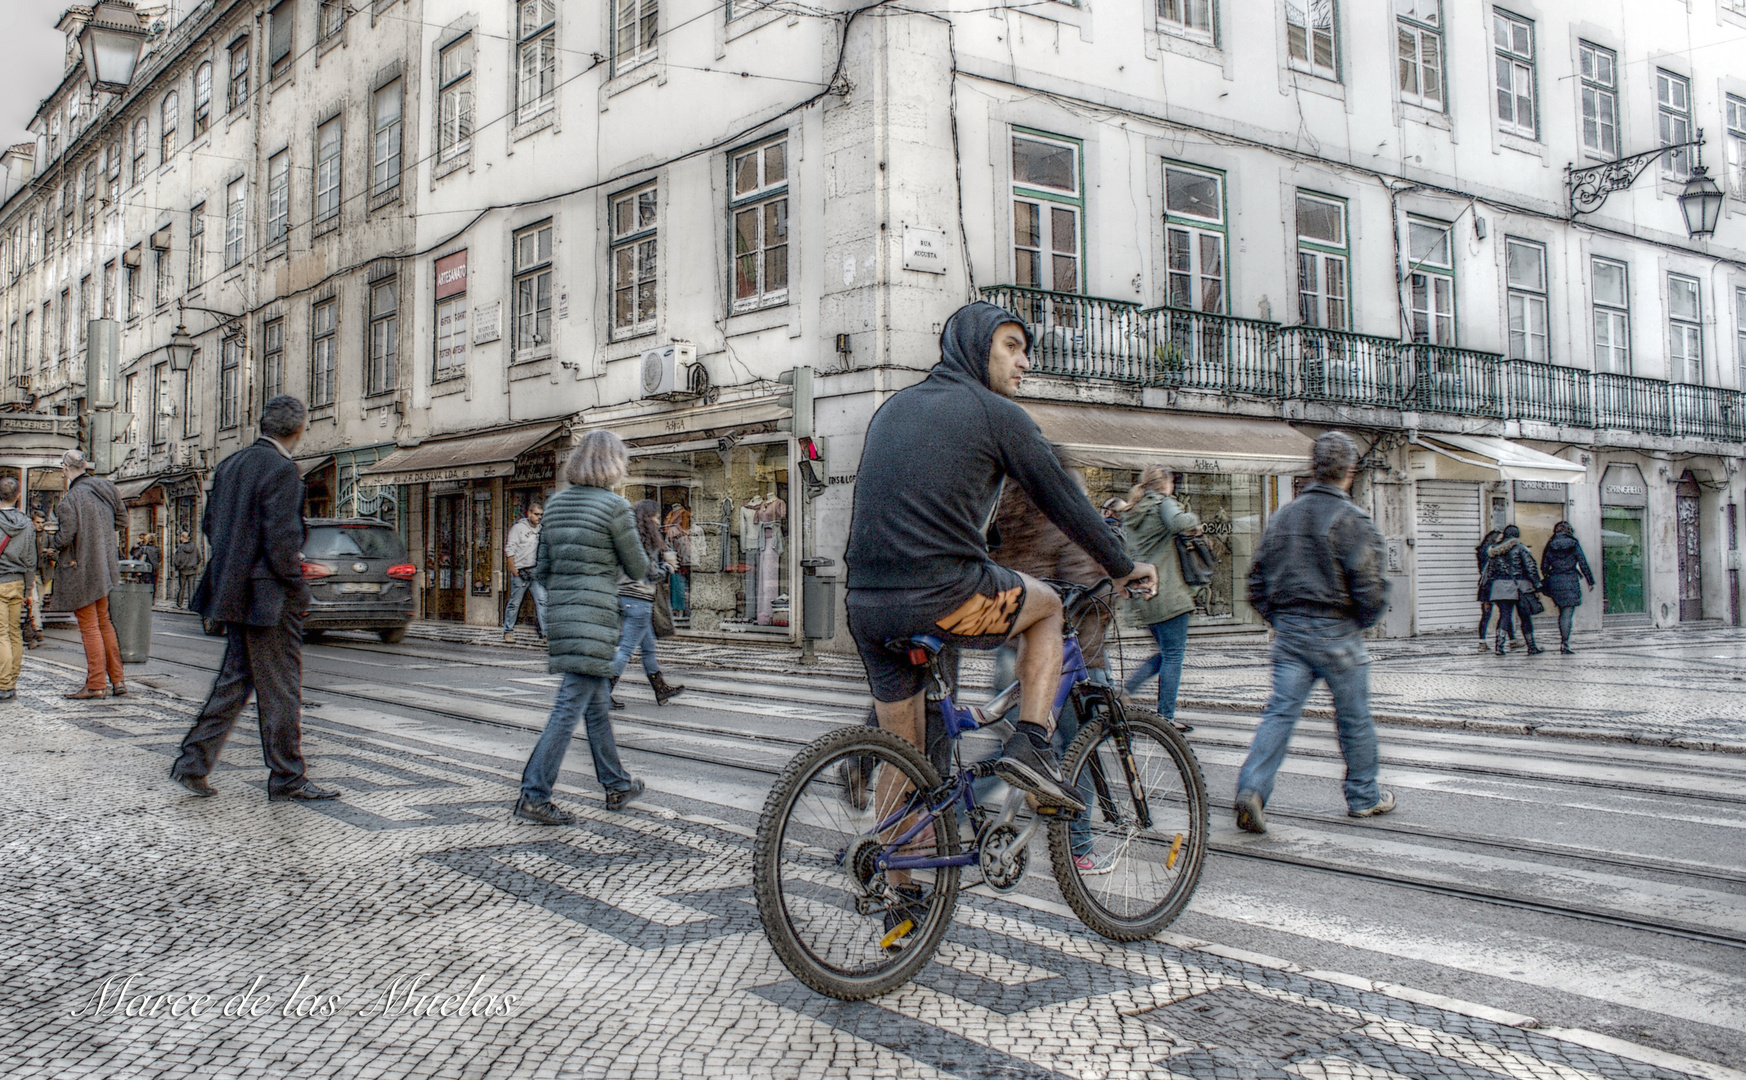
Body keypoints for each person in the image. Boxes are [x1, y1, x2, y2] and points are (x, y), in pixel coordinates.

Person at [844, 300, 1157, 816]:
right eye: (1011, 347)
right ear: (976, 348)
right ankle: (1032, 745)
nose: (1024, 362)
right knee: (1051, 607)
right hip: (944, 595)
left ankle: (895, 878)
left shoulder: (894, 408)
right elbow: (1065, 502)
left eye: (1026, 350)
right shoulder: (998, 415)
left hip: (868, 607)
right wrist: (1123, 566)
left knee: (910, 757)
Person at [169, 396, 338, 802]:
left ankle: (192, 762)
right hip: (269, 598)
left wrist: (239, 562)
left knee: (234, 681)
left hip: (234, 591)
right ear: (299, 430)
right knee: (281, 689)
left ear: (262, 425)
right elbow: (281, 541)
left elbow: (211, 525)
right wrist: (297, 581)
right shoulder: (283, 470)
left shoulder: (230, 465)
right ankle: (287, 776)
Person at [1233, 431, 1393, 833]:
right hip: (1338, 628)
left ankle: (1252, 788)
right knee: (1354, 718)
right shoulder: (1352, 520)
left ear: (1312, 467)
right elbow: (1369, 585)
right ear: (1350, 471)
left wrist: (1278, 617)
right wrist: (1362, 621)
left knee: (1280, 713)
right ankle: (1363, 796)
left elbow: (1255, 581)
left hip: (1290, 629)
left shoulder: (1283, 516)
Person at [516, 431, 651, 824]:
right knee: (566, 710)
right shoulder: (615, 508)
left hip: (562, 615)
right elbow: (637, 566)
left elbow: (540, 569)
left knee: (594, 707)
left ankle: (617, 784)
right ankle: (534, 794)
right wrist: (659, 568)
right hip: (594, 617)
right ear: (613, 464)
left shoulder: (555, 506)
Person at [1120, 466, 1199, 733]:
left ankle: (1127, 690)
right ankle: (1166, 716)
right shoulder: (1162, 504)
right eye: (1171, 482)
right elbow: (1179, 523)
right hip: (1167, 592)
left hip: (1145, 594)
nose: (1173, 487)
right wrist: (1193, 520)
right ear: (1164, 484)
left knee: (1166, 653)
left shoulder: (1134, 510)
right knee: (1174, 655)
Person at [43, 449, 128, 700]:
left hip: (80, 568)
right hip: (105, 566)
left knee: (89, 625)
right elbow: (122, 521)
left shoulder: (70, 500)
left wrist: (51, 542)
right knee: (104, 622)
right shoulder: (107, 488)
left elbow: (65, 537)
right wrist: (100, 533)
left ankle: (95, 685)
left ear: (65, 469)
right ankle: (119, 681)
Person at [609, 499, 685, 711]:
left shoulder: (629, 540)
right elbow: (650, 574)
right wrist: (669, 568)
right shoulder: (646, 543)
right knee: (625, 650)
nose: (658, 520)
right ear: (648, 518)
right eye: (656, 516)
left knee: (648, 646)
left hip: (625, 597)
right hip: (639, 599)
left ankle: (660, 688)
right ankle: (602, 692)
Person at [1480, 524, 1544, 656]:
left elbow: (1489, 572)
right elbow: (1530, 567)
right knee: (1525, 616)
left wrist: (1487, 591)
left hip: (1499, 587)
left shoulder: (1493, 550)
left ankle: (1499, 646)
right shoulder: (1521, 548)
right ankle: (1531, 646)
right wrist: (1537, 585)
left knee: (1504, 615)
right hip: (1519, 586)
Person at [0, 477, 37, 701]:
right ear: (17, 495)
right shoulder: (27, 523)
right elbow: (31, 560)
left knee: (1, 634)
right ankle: (12, 682)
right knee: (14, 633)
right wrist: (28, 589)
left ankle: (3, 684)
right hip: (18, 582)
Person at [1540, 522, 1595, 655]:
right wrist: (1589, 580)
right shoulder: (1573, 543)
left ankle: (1563, 640)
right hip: (1570, 580)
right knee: (1567, 614)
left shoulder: (1551, 544)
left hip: (1555, 580)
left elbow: (1544, 565)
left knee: (1561, 612)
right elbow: (1582, 562)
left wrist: (1548, 576)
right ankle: (1565, 643)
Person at [502, 502, 547, 643]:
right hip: (520, 572)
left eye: (541, 514)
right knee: (515, 602)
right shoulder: (518, 528)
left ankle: (546, 633)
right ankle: (508, 631)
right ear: (529, 514)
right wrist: (513, 570)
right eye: (536, 514)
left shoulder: (541, 529)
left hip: (535, 571)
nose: (538, 517)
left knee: (542, 601)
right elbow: (510, 549)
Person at [1474, 529, 1518, 652]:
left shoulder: (1482, 551)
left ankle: (1483, 641)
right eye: (1500, 537)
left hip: (1485, 585)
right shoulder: (1494, 551)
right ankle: (1510, 640)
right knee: (1504, 612)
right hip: (1493, 583)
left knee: (1487, 614)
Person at [171, 530, 201, 608]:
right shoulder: (194, 546)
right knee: (192, 589)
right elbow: (199, 558)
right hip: (192, 570)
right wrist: (195, 565)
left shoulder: (181, 547)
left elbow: (177, 559)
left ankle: (179, 604)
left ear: (182, 538)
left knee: (182, 588)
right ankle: (191, 605)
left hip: (183, 570)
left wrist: (178, 566)